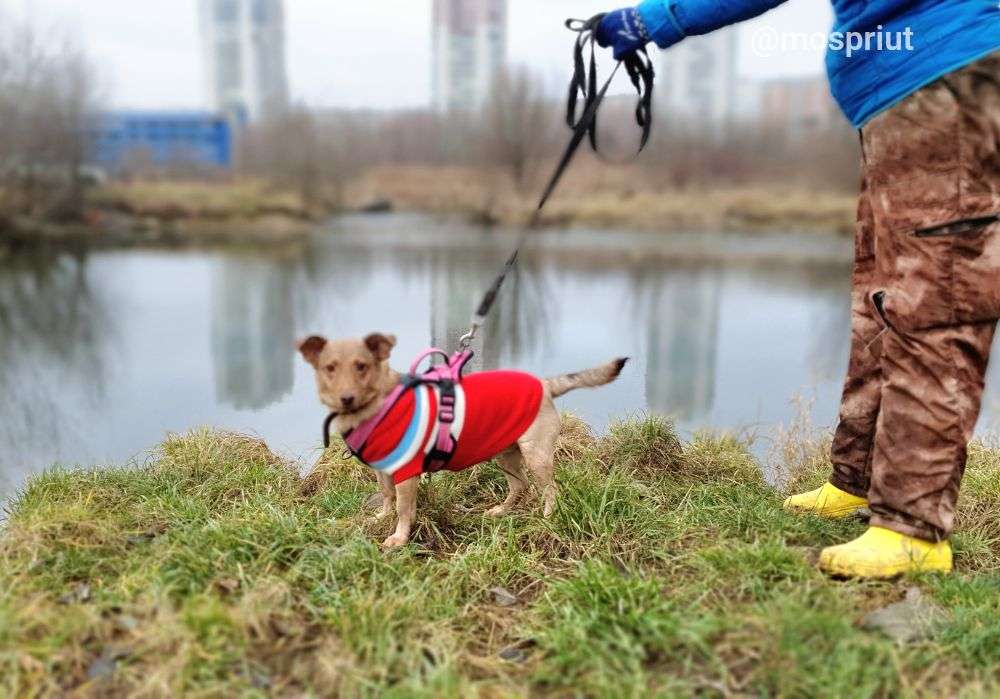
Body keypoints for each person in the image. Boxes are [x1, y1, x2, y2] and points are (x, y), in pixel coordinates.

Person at [596, 0, 1000, 578]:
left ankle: (913, 529)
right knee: (879, 300)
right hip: (903, 98)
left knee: (935, 299)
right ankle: (857, 483)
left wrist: (655, 20)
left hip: (947, 80)